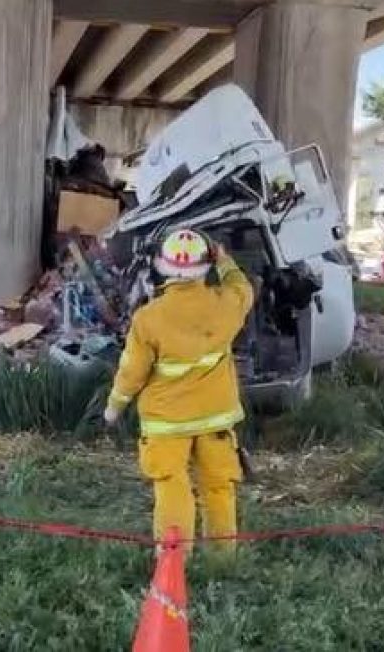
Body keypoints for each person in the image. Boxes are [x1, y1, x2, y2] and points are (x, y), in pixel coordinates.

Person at [104, 229, 254, 553]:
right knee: (218, 487)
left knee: (172, 487)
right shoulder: (228, 304)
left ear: (163, 266)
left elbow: (132, 371)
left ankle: (174, 560)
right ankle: (222, 559)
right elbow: (242, 287)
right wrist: (225, 260)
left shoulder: (148, 319)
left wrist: (114, 407)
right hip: (215, 418)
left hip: (166, 422)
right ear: (207, 264)